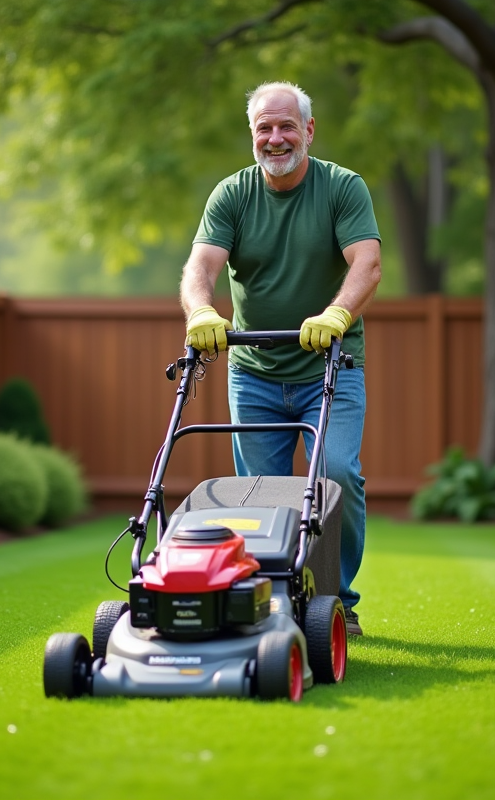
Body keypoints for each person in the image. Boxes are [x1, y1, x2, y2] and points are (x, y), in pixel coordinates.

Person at [178, 81, 381, 636]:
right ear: (252, 135)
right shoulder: (232, 195)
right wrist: (201, 313)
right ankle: (274, 599)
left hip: (330, 368)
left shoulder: (342, 188)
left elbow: (367, 262)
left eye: (286, 126)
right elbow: (201, 268)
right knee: (261, 496)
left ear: (308, 131)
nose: (275, 137)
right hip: (256, 373)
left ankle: (338, 601)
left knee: (336, 475)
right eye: (264, 128)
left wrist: (337, 314)